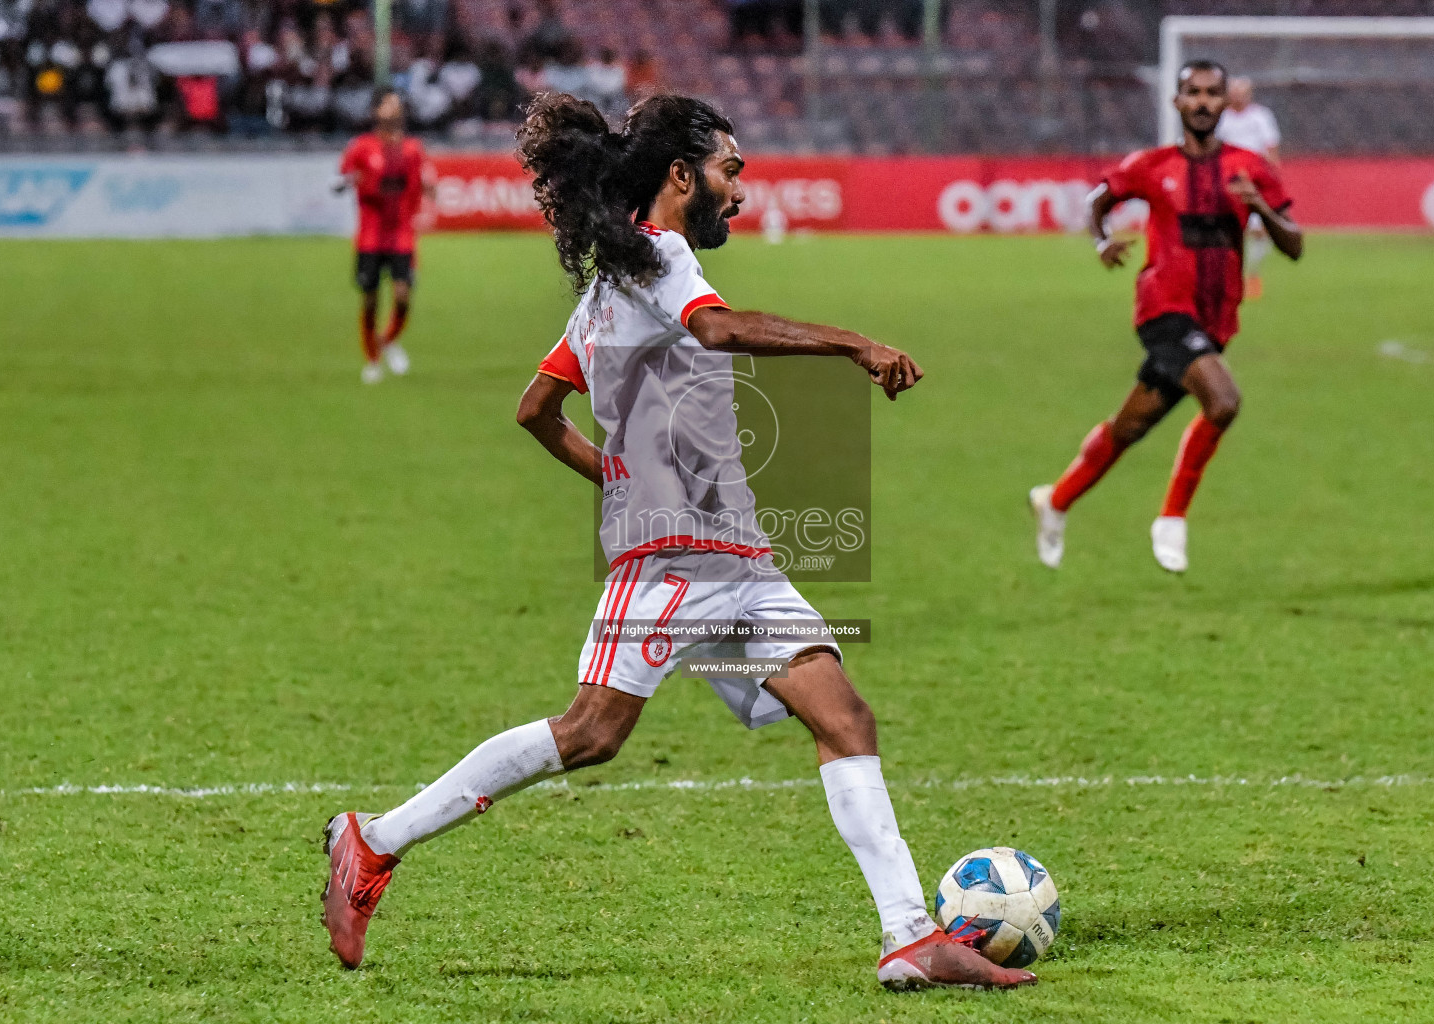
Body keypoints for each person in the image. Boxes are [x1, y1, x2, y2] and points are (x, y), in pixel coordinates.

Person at [319, 92, 1037, 993]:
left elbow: (537, 411)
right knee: (590, 734)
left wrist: (615, 478)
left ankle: (907, 938)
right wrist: (854, 344)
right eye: (731, 172)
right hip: (669, 563)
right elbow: (717, 329)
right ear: (680, 174)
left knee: (844, 716)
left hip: (736, 559)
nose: (740, 191)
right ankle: (372, 840)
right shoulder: (660, 261)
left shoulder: (611, 281)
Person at [1028, 60, 1303, 574]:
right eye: (1192, 93)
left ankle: (1055, 500)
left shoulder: (1250, 168)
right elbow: (1098, 200)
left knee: (1129, 426)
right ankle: (1172, 518)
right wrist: (1102, 239)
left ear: (1225, 102)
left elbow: (1296, 245)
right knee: (1223, 402)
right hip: (1163, 312)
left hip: (1215, 322)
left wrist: (1261, 210)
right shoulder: (1151, 165)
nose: (1202, 102)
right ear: (1177, 102)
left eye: (1211, 93)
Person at [336, 88, 434, 383]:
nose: (396, 109)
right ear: (376, 111)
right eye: (389, 104)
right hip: (370, 237)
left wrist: (429, 190)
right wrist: (345, 182)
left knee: (403, 296)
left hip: (401, 234)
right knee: (369, 300)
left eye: (398, 104)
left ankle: (387, 339)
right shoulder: (362, 147)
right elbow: (341, 178)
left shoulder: (413, 149)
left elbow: (422, 184)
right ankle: (373, 360)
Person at [1216, 76, 1280, 300]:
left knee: (1260, 230)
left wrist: (1272, 176)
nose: (1238, 97)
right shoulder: (1222, 118)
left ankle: (1252, 273)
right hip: (1228, 180)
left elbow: (1271, 147)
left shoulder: (1260, 117)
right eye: (1234, 93)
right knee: (1229, 229)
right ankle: (1230, 275)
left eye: (1242, 93)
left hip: (1255, 179)